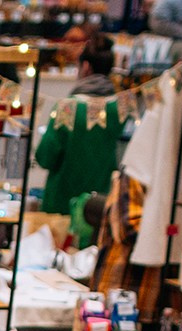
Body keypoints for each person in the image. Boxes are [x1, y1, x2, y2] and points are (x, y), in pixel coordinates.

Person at [35, 36, 122, 230]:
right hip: (100, 206)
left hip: (61, 207)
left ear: (86, 67)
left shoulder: (68, 108)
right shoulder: (119, 110)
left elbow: (45, 157)